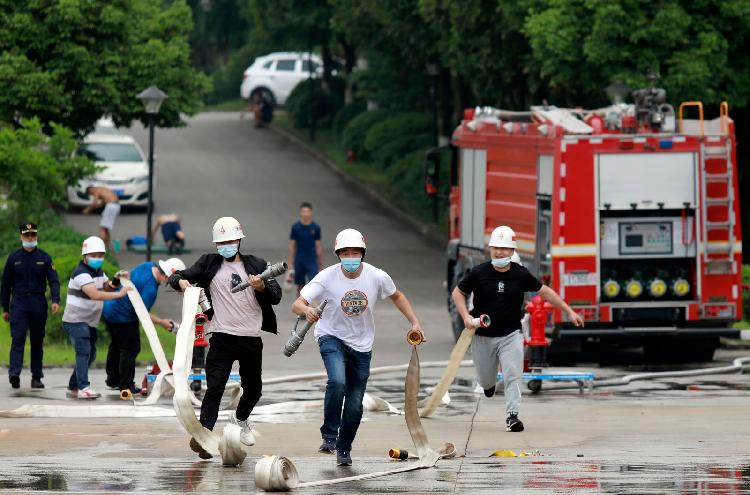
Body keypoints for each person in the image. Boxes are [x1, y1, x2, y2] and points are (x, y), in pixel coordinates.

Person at [291, 228, 424, 467]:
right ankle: (329, 436)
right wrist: (308, 310)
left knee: (354, 403)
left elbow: (398, 296)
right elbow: (297, 303)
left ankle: (344, 448)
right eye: (345, 253)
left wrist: (414, 322)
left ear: (362, 253)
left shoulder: (376, 276)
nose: (350, 257)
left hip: (362, 345)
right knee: (338, 381)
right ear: (338, 254)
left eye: (355, 252)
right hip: (331, 336)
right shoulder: (326, 277)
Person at [451, 225, 584, 433]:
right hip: (482, 335)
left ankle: (512, 417)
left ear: (513, 251)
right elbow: (457, 293)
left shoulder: (521, 274)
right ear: (490, 249)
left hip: (510, 334)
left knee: (513, 375)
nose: (499, 252)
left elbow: (545, 292)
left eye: (504, 248)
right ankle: (488, 385)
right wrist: (466, 317)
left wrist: (568, 310)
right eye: (496, 247)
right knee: (486, 380)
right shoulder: (478, 272)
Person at [168, 216, 282, 459]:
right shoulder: (208, 263)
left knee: (254, 390)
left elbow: (276, 295)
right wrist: (181, 282)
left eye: (231, 241)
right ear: (216, 244)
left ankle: (240, 419)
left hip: (250, 338)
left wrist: (261, 287)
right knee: (215, 387)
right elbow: (176, 275)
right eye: (222, 242)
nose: (227, 246)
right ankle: (204, 436)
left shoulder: (257, 264)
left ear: (239, 241)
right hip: (221, 336)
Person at [103, 257, 184, 396]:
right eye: (171, 280)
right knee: (130, 348)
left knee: (117, 344)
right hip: (123, 315)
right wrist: (162, 322)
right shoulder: (150, 288)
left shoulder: (147, 265)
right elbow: (142, 313)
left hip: (109, 307)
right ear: (166, 275)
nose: (170, 283)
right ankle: (126, 385)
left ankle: (113, 379)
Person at [61, 236, 130, 399]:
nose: (97, 258)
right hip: (75, 320)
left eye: (100, 255)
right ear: (85, 255)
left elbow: (106, 286)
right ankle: (84, 387)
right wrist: (119, 294)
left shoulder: (98, 271)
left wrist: (116, 279)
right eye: (94, 255)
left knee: (90, 354)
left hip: (90, 320)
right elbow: (95, 294)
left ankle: (73, 386)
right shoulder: (81, 273)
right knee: (84, 350)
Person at [1, 223, 60, 389]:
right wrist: (5, 308)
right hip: (19, 303)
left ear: (36, 236)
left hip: (38, 303)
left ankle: (36, 377)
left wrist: (55, 300)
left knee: (37, 341)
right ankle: (14, 374)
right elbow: (5, 285)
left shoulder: (44, 257)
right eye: (27, 235)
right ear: (21, 237)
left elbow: (54, 281)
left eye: (33, 235)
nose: (30, 238)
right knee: (18, 339)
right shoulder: (13, 258)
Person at [286, 202, 322, 294]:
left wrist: (320, 263)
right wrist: (290, 263)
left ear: (311, 213)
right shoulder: (295, 227)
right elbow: (292, 245)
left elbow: (318, 246)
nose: (305, 214)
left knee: (313, 284)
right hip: (299, 260)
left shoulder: (316, 227)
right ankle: (300, 305)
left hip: (312, 260)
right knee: (300, 285)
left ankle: (311, 306)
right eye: (303, 211)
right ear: (300, 213)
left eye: (307, 211)